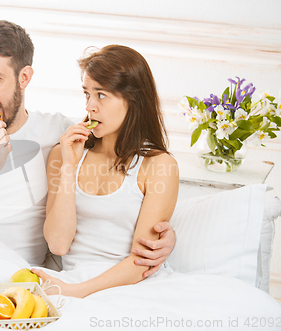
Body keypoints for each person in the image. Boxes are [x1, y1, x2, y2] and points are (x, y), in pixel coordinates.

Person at [0, 19, 175, 277]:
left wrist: (167, 238)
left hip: (20, 279)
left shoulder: (59, 134)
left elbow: (115, 166)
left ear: (24, 77)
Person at [31, 45, 179, 298]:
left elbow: (141, 261)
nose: (90, 106)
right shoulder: (63, 154)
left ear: (133, 100)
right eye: (86, 94)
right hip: (71, 278)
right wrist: (69, 167)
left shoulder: (159, 165)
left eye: (101, 95)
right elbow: (58, 244)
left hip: (129, 286)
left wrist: (75, 292)